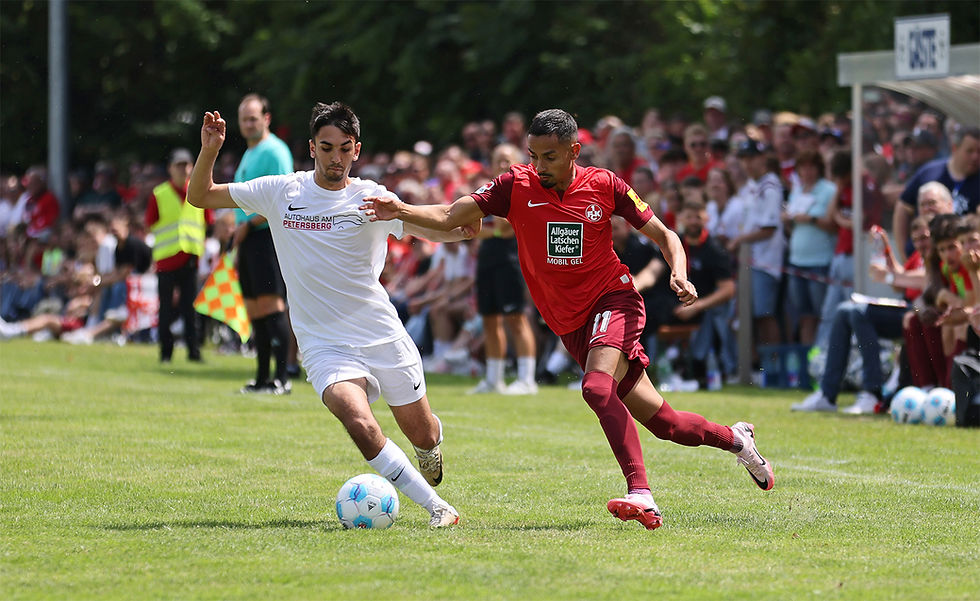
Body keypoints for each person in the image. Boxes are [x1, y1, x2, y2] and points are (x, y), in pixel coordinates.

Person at [362, 108, 774, 530]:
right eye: (533, 156)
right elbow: (452, 215)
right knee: (666, 424)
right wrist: (400, 209)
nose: (539, 166)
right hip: (572, 325)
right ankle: (737, 440)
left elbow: (666, 235)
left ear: (574, 151)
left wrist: (679, 273)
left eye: (550, 157)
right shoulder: (515, 185)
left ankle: (641, 493)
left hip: (614, 300)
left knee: (596, 387)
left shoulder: (605, 184)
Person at [187, 102, 467, 527]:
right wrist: (210, 150)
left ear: (357, 150)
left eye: (344, 148)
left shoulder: (372, 197)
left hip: (381, 334)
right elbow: (200, 196)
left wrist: (461, 227)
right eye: (326, 147)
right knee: (358, 421)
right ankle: (438, 508)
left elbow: (433, 225)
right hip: (323, 344)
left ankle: (431, 442)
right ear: (311, 148)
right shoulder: (281, 191)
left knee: (422, 434)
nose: (336, 157)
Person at [793, 216, 931, 414]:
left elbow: (925, 280)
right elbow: (899, 283)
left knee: (859, 312)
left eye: (924, 238)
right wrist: (886, 251)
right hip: (907, 311)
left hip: (920, 316)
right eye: (916, 240)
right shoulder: (917, 256)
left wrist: (889, 276)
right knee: (844, 310)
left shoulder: (938, 255)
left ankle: (872, 392)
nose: (920, 244)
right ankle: (827, 394)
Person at [234, 93, 296, 394]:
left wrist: (247, 224)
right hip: (248, 239)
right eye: (244, 119)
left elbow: (283, 198)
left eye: (253, 118)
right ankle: (261, 378)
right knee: (255, 310)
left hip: (267, 237)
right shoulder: (250, 152)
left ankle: (282, 378)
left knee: (272, 307)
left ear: (266, 119)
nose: (248, 124)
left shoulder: (275, 151)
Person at [469, 143, 539, 395]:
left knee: (516, 317)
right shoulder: (489, 190)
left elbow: (504, 228)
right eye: (497, 160)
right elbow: (473, 228)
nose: (501, 165)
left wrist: (485, 230)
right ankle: (493, 380)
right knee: (489, 319)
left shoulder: (520, 190)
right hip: (487, 259)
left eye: (506, 160)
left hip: (511, 258)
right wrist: (487, 231)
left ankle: (527, 380)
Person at [145, 148, 207, 363]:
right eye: (179, 165)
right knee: (166, 309)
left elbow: (207, 221)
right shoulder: (159, 193)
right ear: (170, 168)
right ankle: (165, 353)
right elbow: (151, 223)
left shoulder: (199, 190)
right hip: (167, 259)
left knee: (190, 308)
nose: (184, 169)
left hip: (190, 258)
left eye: (187, 165)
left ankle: (194, 352)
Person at [893, 127, 980, 262]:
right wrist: (904, 255)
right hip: (922, 258)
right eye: (970, 151)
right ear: (955, 148)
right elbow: (903, 208)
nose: (975, 156)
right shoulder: (930, 173)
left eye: (979, 151)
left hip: (961, 261)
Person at [782, 150, 837, 345]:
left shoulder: (829, 190)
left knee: (822, 313)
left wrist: (811, 219)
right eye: (803, 167)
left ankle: (824, 355)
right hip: (796, 261)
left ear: (818, 169)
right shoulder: (797, 190)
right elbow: (793, 227)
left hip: (820, 261)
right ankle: (808, 358)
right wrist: (787, 220)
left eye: (811, 167)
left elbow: (834, 225)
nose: (807, 171)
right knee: (804, 316)